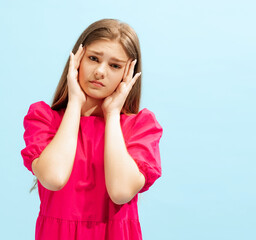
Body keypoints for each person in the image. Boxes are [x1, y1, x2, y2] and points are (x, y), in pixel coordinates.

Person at [20, 19, 163, 240]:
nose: (100, 72)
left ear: (129, 74)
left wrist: (113, 114)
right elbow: (54, 177)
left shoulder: (141, 127)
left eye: (115, 66)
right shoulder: (44, 119)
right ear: (77, 59)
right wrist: (75, 103)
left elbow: (121, 192)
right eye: (93, 59)